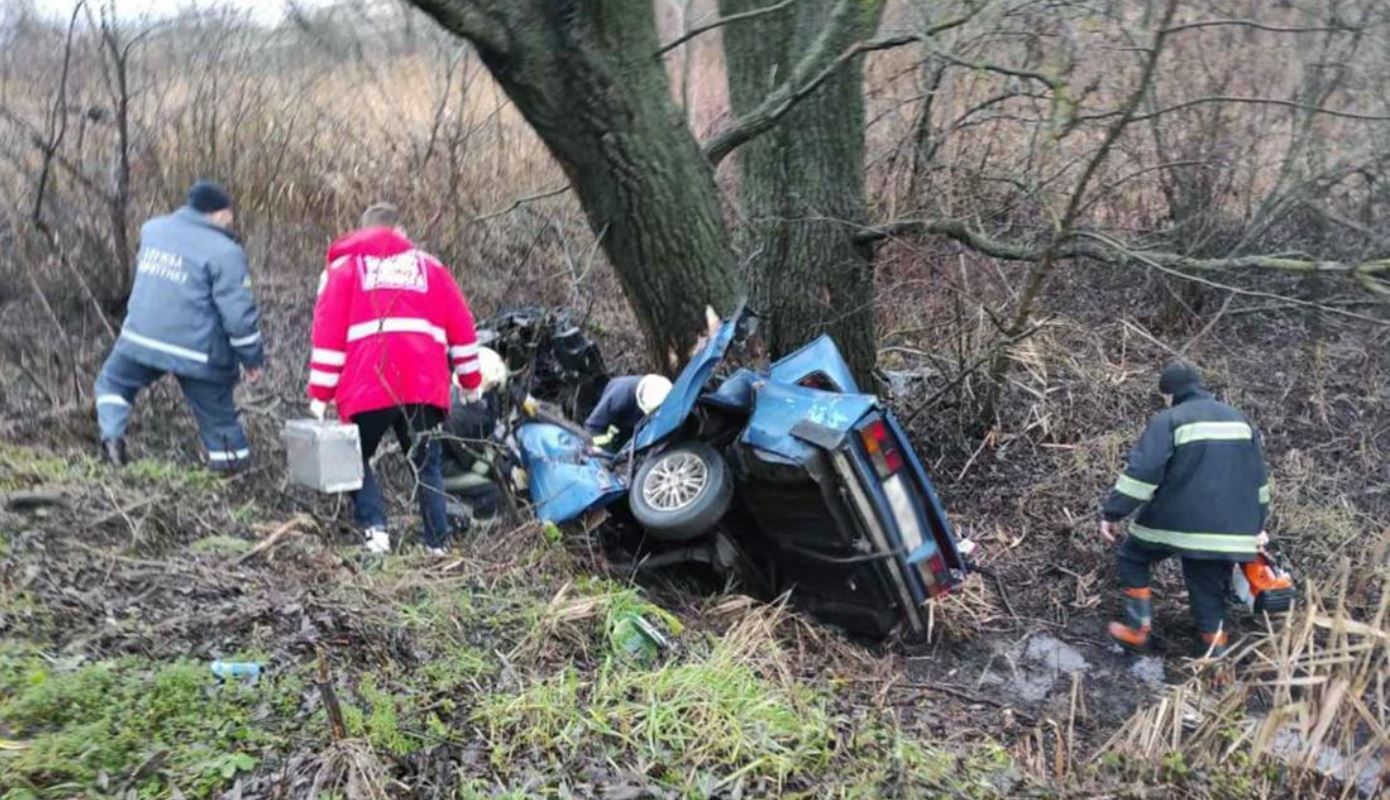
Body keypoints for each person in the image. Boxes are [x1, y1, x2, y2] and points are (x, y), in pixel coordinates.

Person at [306, 203, 482, 555]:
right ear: (399, 229)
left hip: (367, 385)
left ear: (362, 232)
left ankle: (376, 533)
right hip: (422, 385)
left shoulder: (344, 270)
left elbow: (328, 336)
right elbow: (462, 327)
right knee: (426, 465)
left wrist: (320, 394)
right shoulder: (431, 267)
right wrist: (471, 379)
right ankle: (438, 544)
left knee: (354, 460)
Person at [1099, 362, 1271, 657]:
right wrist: (1257, 524)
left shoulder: (1170, 419)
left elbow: (1143, 472)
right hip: (1231, 529)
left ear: (1168, 394)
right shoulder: (1240, 420)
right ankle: (1214, 656)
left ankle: (1139, 632)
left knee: (1133, 556)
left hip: (1175, 521)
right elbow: (1258, 479)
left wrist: (1113, 513)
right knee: (1206, 582)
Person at [95, 180, 264, 470]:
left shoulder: (152, 230)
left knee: (113, 383)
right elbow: (238, 315)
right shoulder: (225, 252)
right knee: (219, 419)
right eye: (229, 214)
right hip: (197, 351)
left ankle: (112, 440)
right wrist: (252, 359)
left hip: (140, 338)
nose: (231, 221)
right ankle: (234, 478)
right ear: (217, 213)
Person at [584, 373, 673, 451]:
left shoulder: (657, 389)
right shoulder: (618, 398)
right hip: (611, 430)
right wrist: (604, 452)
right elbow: (592, 427)